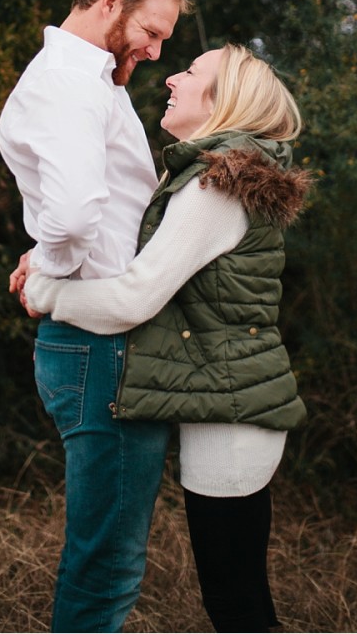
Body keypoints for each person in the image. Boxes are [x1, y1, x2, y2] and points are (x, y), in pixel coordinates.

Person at [20, 43, 311, 634]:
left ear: (222, 99)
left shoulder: (216, 187)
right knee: (237, 600)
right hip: (224, 404)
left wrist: (46, 294)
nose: (173, 75)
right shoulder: (206, 175)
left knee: (237, 606)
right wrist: (43, 256)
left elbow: (134, 297)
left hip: (232, 417)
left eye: (192, 72)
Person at [0, 0, 188, 632]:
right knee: (106, 562)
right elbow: (74, 213)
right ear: (112, 2)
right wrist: (48, 258)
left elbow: (90, 211)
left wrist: (40, 249)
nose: (157, 51)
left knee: (108, 554)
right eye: (151, 31)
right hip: (97, 345)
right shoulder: (72, 83)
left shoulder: (87, 81)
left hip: (99, 337)